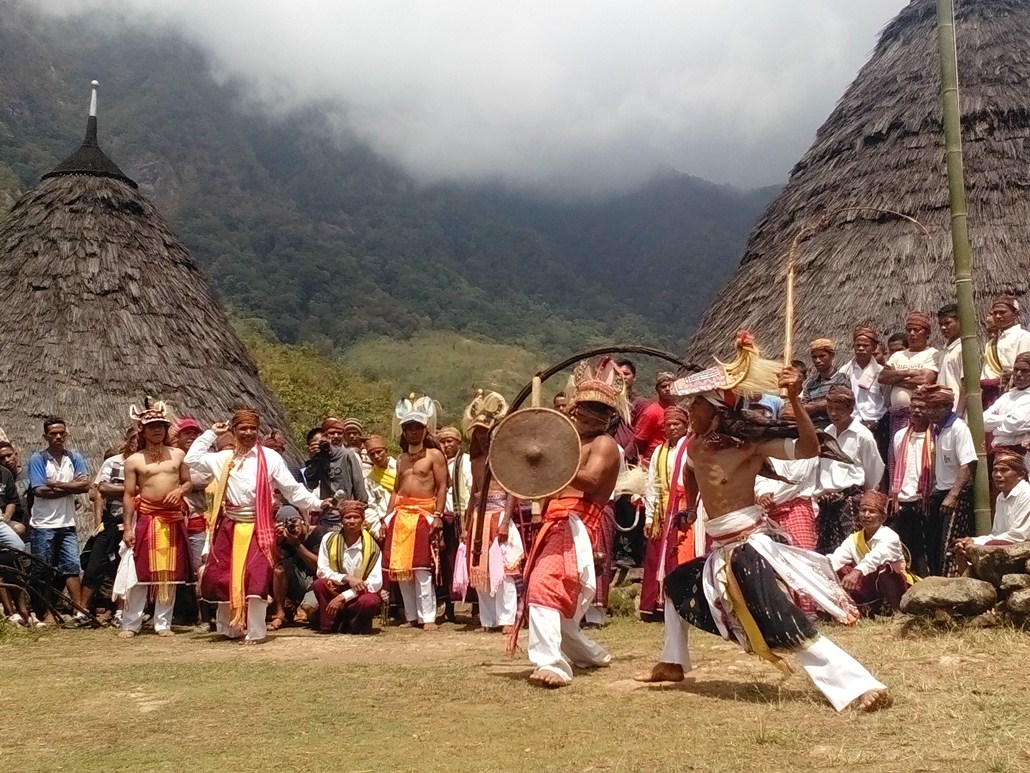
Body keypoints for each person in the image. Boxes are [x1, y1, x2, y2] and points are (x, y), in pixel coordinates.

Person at [637, 333, 890, 713]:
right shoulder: (696, 445)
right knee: (675, 586)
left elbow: (808, 448)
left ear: (717, 409)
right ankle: (673, 662)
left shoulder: (748, 446)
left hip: (747, 548)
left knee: (781, 618)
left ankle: (858, 686)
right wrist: (691, 508)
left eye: (696, 405)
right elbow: (691, 472)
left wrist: (793, 400)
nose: (689, 411)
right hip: (720, 548)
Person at [510, 370, 622, 688]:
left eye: (599, 409)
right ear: (574, 407)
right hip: (554, 523)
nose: (589, 414)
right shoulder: (568, 443)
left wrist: (550, 458)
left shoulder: (604, 444)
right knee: (559, 600)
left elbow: (589, 481)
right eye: (586, 406)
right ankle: (592, 654)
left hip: (576, 524)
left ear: (609, 416)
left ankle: (551, 663)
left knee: (544, 585)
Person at [185, 409, 331, 643]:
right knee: (226, 576)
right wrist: (211, 434)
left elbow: (291, 489)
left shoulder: (270, 458)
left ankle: (255, 631)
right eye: (243, 428)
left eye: (253, 428)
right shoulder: (223, 459)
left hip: (259, 526)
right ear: (233, 431)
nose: (248, 433)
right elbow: (191, 460)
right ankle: (228, 628)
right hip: (230, 525)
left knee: (257, 576)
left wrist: (316, 502)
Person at [119, 401, 193, 638]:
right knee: (141, 572)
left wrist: (179, 492)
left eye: (160, 426)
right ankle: (131, 623)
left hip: (172, 518)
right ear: (143, 430)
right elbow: (129, 494)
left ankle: (163, 623)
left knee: (168, 572)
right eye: (151, 427)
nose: (157, 430)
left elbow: (188, 482)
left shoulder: (179, 454)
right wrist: (128, 528)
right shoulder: (134, 460)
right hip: (148, 518)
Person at [383, 395, 448, 630]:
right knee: (402, 569)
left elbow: (442, 486)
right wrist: (386, 517)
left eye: (417, 427)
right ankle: (411, 616)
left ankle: (428, 617)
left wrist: (438, 516)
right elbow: (395, 491)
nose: (412, 432)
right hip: (401, 515)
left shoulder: (435, 456)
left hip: (424, 514)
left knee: (422, 568)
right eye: (408, 427)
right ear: (403, 431)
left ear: (425, 429)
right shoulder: (400, 460)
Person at [461, 391, 523, 632]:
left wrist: (506, 521)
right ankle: (489, 619)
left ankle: (507, 619)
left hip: (499, 515)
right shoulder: (475, 461)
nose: (481, 436)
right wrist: (467, 526)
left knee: (505, 570)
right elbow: (473, 495)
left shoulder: (505, 457)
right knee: (480, 569)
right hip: (478, 518)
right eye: (477, 431)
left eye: (485, 431)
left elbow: (512, 491)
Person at [28, 416, 91, 625]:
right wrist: (70, 486)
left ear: (66, 434)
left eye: (61, 433)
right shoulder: (38, 459)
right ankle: (45, 611)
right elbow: (39, 490)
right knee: (43, 568)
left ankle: (79, 610)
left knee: (71, 565)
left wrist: (57, 484)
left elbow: (85, 486)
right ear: (45, 436)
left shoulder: (74, 458)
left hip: (67, 522)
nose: (58, 436)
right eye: (53, 433)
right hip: (43, 524)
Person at [814, 386, 885, 553]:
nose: (833, 414)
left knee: (853, 551)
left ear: (850, 409)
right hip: (827, 502)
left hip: (851, 501)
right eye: (830, 409)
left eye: (838, 409)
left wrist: (865, 498)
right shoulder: (827, 433)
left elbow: (873, 470)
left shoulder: (862, 435)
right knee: (828, 553)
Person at [640, 405, 692, 621]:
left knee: (680, 556)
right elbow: (653, 484)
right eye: (668, 424)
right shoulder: (658, 453)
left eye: (676, 424)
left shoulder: (691, 447)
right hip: (663, 512)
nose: (672, 427)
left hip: (684, 510)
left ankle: (682, 603)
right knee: (656, 559)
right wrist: (650, 517)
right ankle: (656, 605)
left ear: (685, 425)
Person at [828, 490, 913, 615]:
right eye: (863, 511)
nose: (866, 515)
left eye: (872, 512)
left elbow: (876, 557)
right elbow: (836, 558)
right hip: (869, 588)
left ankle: (898, 612)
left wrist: (857, 571)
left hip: (895, 589)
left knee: (885, 568)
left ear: (883, 517)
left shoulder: (890, 536)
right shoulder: (853, 538)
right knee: (838, 569)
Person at [922, 386, 977, 576]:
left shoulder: (958, 428)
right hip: (940, 491)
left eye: (936, 407)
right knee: (934, 543)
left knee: (952, 543)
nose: (931, 412)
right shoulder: (938, 429)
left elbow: (968, 463)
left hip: (956, 494)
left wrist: (953, 495)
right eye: (928, 407)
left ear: (948, 406)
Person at [878, 312, 939, 476]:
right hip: (897, 417)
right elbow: (883, 377)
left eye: (917, 330)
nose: (912, 334)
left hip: (919, 416)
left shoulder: (932, 354)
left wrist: (896, 378)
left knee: (917, 458)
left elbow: (924, 379)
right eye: (909, 330)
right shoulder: (898, 355)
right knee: (896, 457)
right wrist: (911, 372)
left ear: (927, 333)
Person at [312, 500, 383, 634]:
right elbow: (322, 570)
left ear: (362, 520)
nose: (351, 521)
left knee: (370, 600)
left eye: (356, 517)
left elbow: (375, 582)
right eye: (347, 517)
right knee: (319, 584)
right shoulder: (329, 539)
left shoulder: (373, 547)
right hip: (337, 587)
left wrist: (343, 597)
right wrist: (346, 578)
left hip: (358, 593)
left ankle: (354, 625)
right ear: (341, 520)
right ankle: (330, 624)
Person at [954, 452, 1030, 570]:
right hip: (1007, 547)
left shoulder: (1027, 494)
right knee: (961, 549)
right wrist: (972, 540)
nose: (998, 475)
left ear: (1020, 474)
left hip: (1023, 548)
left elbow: (1018, 536)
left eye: (1004, 470)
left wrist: (978, 545)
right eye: (995, 470)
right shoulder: (1001, 497)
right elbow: (996, 535)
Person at [888, 393, 933, 576]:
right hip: (904, 498)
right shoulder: (900, 436)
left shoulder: (935, 436)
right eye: (914, 406)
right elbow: (897, 463)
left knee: (926, 549)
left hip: (925, 499)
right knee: (906, 548)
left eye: (921, 407)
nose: (916, 410)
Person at [438, 423, 471, 622]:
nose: (445, 445)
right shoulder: (438, 462)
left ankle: (474, 607)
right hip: (443, 518)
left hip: (462, 517)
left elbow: (470, 488)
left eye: (449, 441)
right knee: (444, 564)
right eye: (442, 441)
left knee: (465, 561)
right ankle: (448, 607)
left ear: (458, 443)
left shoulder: (465, 462)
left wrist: (467, 520)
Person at [981, 295, 1030, 408]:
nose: (998, 316)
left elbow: (1024, 367)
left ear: (1015, 314)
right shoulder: (991, 342)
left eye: (1002, 312)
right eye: (995, 313)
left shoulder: (1024, 337)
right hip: (989, 393)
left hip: (1011, 393)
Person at [306, 418, 368, 504]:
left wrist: (362, 505)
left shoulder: (348, 455)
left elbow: (358, 485)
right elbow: (312, 485)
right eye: (332, 433)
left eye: (339, 433)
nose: (336, 436)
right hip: (327, 509)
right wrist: (312, 460)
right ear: (325, 436)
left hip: (346, 510)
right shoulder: (320, 457)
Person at [983, 352, 1030, 455]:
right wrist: (1007, 418)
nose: (1018, 374)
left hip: (1019, 455)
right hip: (997, 452)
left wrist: (994, 429)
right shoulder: (1006, 396)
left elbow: (1016, 425)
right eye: (1016, 369)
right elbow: (983, 420)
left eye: (1025, 371)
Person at [801, 338, 850, 430]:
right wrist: (821, 405)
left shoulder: (842, 379)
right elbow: (803, 409)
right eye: (814, 357)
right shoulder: (810, 385)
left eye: (822, 356)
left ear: (831, 356)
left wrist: (814, 406)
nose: (818, 360)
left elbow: (838, 403)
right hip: (814, 430)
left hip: (836, 429)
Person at [633, 372, 679, 463]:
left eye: (671, 386)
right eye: (663, 386)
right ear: (657, 389)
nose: (667, 389)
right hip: (655, 462)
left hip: (673, 460)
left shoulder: (679, 410)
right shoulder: (651, 412)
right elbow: (639, 440)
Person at [362, 435, 396, 538]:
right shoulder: (370, 479)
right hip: (384, 525)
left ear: (386, 451)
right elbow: (371, 507)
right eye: (372, 454)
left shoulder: (401, 468)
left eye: (379, 452)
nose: (376, 456)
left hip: (405, 518)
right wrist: (377, 532)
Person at [937, 304, 965, 414]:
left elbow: (966, 385)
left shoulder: (963, 348)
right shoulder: (944, 349)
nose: (943, 327)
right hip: (943, 410)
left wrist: (959, 413)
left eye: (947, 323)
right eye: (941, 324)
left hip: (955, 410)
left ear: (960, 321)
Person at [0, 442, 30, 538]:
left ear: (16, 454)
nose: (7, 460)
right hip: (13, 530)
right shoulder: (3, 479)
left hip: (34, 529)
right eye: (2, 457)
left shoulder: (30, 474)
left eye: (9, 455)